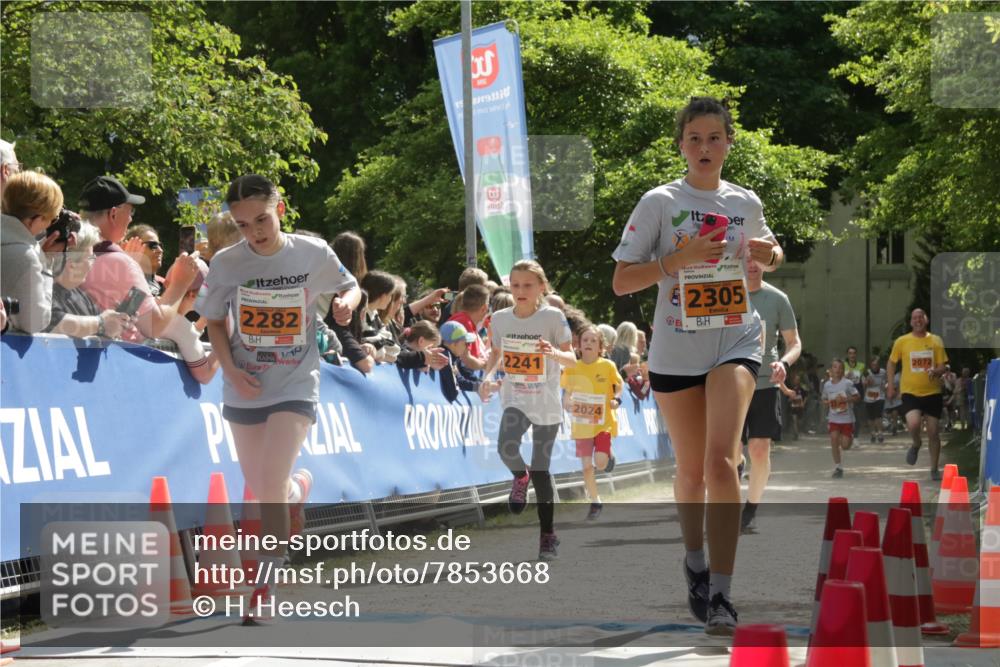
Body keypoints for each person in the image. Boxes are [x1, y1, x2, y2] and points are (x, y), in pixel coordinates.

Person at [611, 96, 783, 635]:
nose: (704, 147)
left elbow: (772, 252)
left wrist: (766, 257)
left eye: (715, 137)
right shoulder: (659, 202)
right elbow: (622, 282)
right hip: (676, 347)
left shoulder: (744, 201)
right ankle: (695, 562)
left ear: (730, 142)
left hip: (735, 337)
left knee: (720, 463)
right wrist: (678, 260)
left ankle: (724, 595)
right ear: (681, 145)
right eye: (694, 138)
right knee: (689, 471)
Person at [202, 174, 360, 620]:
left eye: (262, 218)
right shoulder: (227, 263)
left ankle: (263, 585)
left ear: (281, 210)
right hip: (244, 383)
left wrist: (346, 300)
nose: (255, 230)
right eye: (244, 224)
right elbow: (213, 320)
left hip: (295, 381)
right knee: (263, 486)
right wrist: (230, 368)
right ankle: (296, 489)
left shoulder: (312, 253)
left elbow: (350, 285)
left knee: (267, 483)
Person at [480, 260, 575, 561]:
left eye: (527, 285)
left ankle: (547, 536)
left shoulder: (553, 316)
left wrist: (554, 353)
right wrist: (487, 376)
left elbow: (572, 359)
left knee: (543, 471)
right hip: (515, 397)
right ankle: (519, 478)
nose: (520, 291)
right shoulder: (501, 319)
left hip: (545, 401)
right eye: (516, 285)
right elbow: (496, 354)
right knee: (506, 447)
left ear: (541, 287)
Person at [79, 175, 199, 343]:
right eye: (131, 211)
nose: (131, 218)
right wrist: (180, 283)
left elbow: (126, 314)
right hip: (121, 361)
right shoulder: (121, 263)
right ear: (113, 214)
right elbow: (153, 326)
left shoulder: (64, 250)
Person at [739, 259, 801, 534]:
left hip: (765, 383)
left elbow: (794, 342)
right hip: (730, 384)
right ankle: (734, 477)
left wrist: (784, 364)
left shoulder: (777, 298)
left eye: (757, 260)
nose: (751, 265)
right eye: (746, 259)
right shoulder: (724, 293)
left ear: (766, 264)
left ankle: (750, 509)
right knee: (729, 453)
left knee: (759, 449)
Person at [561, 324, 623, 520]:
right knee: (587, 467)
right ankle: (595, 501)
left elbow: (618, 386)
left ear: (600, 347)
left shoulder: (607, 366)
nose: (588, 343)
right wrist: (567, 401)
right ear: (579, 345)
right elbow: (566, 393)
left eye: (593, 341)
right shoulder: (573, 367)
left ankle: (608, 455)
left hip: (603, 423)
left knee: (601, 464)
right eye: (585, 340)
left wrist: (616, 399)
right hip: (582, 425)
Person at [886, 308, 949, 480]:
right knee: (913, 424)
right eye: (915, 318)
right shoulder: (902, 341)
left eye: (921, 317)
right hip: (910, 392)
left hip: (932, 392)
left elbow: (943, 366)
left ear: (926, 320)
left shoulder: (935, 340)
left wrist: (936, 371)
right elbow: (891, 364)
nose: (918, 320)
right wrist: (891, 386)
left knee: (933, 432)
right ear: (911, 322)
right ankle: (916, 443)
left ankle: (934, 469)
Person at [1, 171, 65, 333]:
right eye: (53, 218)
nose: (50, 224)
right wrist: (46, 266)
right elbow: (36, 322)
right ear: (36, 219)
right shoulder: (26, 257)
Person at [44, 220, 131, 339]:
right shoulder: (44, 293)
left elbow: (101, 327)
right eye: (91, 257)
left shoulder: (80, 296)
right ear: (71, 265)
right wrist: (101, 323)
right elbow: (52, 322)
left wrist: (117, 322)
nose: (93, 262)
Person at [822, 358, 860, 478]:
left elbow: (857, 397)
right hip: (833, 418)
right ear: (830, 370)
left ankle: (850, 438)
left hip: (847, 419)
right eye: (835, 367)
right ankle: (838, 467)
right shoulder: (827, 385)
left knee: (845, 446)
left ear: (843, 370)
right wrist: (826, 402)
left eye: (840, 367)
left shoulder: (847, 383)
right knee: (833, 439)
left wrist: (846, 399)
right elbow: (823, 398)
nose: (837, 370)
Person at [446, 284, 490, 369]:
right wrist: (489, 365)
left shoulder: (464, 320)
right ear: (484, 308)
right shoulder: (464, 323)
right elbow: (467, 360)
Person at [123, 224, 166, 296]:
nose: (160, 250)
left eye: (160, 245)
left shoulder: (164, 283)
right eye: (153, 245)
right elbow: (133, 305)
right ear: (133, 246)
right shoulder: (121, 283)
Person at [863, 357, 887, 443]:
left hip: (880, 396)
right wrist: (867, 383)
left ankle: (880, 433)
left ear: (879, 365)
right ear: (870, 365)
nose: (875, 366)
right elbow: (864, 385)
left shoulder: (883, 372)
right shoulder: (867, 373)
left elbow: (886, 381)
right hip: (869, 397)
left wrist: (885, 386)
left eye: (876, 364)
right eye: (873, 364)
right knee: (871, 417)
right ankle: (873, 433)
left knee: (878, 415)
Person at [844, 346, 866, 437]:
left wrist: (866, 381)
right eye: (850, 353)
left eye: (854, 353)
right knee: (845, 415)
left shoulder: (862, 366)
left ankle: (855, 436)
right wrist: (845, 377)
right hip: (845, 393)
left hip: (857, 392)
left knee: (857, 416)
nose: (852, 355)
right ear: (847, 355)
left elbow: (865, 377)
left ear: (856, 355)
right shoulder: (843, 365)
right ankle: (846, 435)